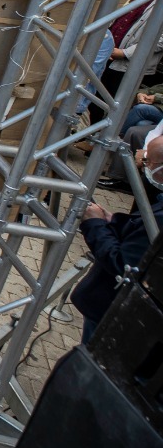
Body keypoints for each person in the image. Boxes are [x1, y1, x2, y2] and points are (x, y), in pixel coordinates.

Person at [72, 129, 163, 343]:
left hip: (112, 311)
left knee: (91, 360)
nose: (143, 165)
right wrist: (115, 221)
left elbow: (122, 265)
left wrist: (94, 225)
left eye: (149, 161)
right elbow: (143, 234)